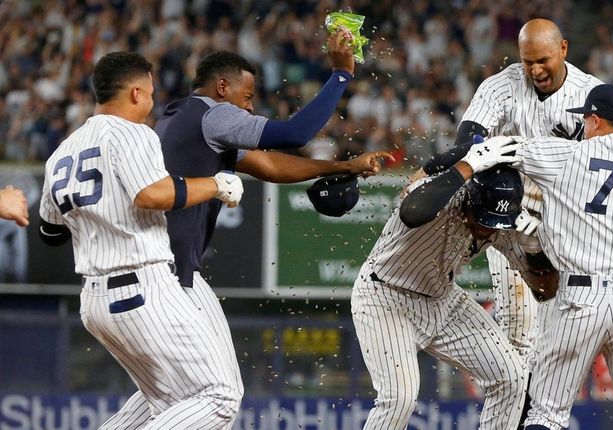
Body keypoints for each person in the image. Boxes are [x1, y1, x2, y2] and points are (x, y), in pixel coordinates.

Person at [130, 29, 391, 426]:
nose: (249, 110)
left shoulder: (177, 116)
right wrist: (340, 74)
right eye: (247, 97)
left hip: (166, 269)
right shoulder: (213, 115)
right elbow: (294, 135)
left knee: (165, 394)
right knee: (219, 396)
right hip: (167, 273)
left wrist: (343, 166)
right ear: (222, 87)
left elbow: (268, 165)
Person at [416, 19, 613, 425]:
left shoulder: (589, 94)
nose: (535, 70)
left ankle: (541, 416)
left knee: (557, 334)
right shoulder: (501, 86)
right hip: (508, 215)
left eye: (543, 60)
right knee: (519, 334)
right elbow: (470, 139)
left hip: (567, 223)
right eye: (527, 62)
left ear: (564, 48)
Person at [38, 52, 245, 429]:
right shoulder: (132, 132)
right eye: (149, 93)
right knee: (219, 397)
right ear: (135, 93)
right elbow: (152, 195)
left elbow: (49, 232)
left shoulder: (60, 154)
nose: (151, 102)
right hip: (143, 288)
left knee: (169, 401)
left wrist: (97, 218)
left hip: (96, 302)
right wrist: (216, 184)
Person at [353, 136, 557, 429]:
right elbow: (412, 211)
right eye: (484, 218)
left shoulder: (506, 223)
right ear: (470, 197)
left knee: (512, 376)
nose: (488, 228)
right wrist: (468, 164)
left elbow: (545, 291)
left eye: (496, 221)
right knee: (399, 398)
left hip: (444, 299)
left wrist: (536, 253)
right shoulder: (440, 194)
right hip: (385, 298)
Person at [509, 84, 613, 430]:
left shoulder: (568, 155)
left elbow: (505, 150)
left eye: (586, 118)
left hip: (581, 297)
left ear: (596, 119)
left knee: (547, 414)